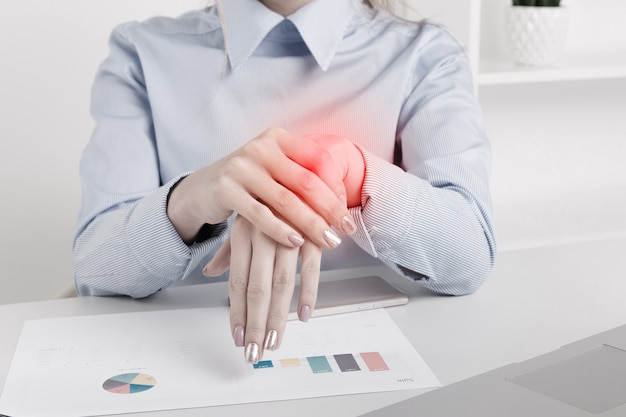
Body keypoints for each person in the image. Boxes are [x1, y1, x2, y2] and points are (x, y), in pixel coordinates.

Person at [73, 0, 497, 364]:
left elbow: (469, 256)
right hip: (191, 360)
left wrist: (357, 176)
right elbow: (94, 268)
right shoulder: (142, 53)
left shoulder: (425, 55)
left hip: (375, 364)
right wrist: (191, 200)